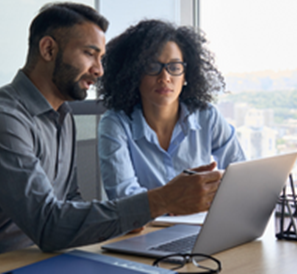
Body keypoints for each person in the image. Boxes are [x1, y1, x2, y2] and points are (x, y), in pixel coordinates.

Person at [0, 3, 223, 265]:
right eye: (89, 54)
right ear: (48, 50)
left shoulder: (62, 116)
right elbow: (48, 225)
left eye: (101, 58)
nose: (99, 70)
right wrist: (159, 201)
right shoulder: (0, 120)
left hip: (42, 259)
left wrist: (127, 217)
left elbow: (69, 200)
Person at [97, 19, 245, 200]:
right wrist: (172, 202)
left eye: (174, 67)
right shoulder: (115, 124)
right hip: (147, 228)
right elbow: (123, 198)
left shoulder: (207, 116)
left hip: (202, 224)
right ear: (134, 74)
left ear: (185, 76)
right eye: (152, 67)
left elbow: (240, 174)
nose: (165, 77)